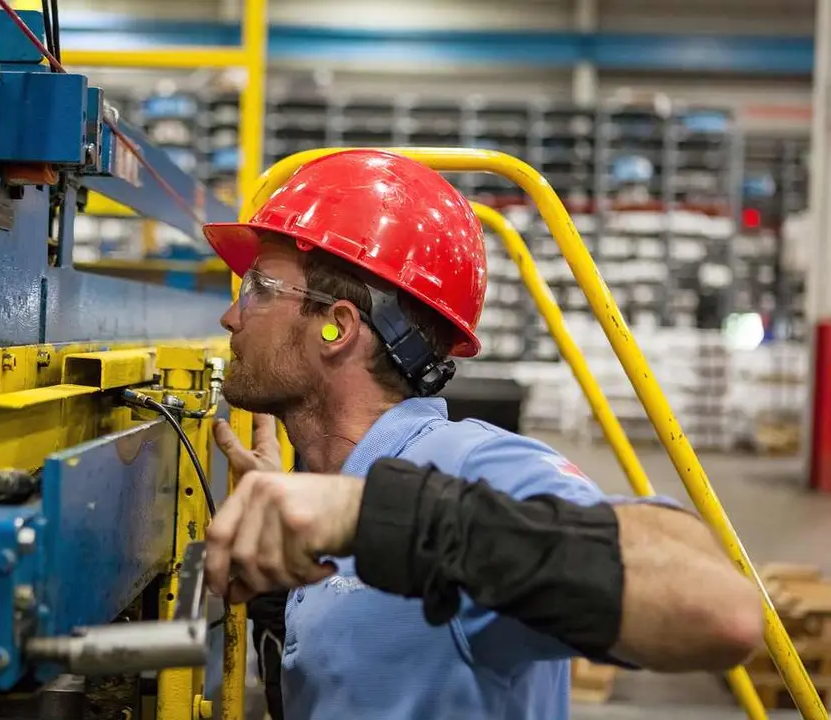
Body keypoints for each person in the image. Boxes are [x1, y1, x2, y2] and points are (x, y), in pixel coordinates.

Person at [200, 149, 764, 720]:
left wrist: (375, 513)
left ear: (337, 327)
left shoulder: (467, 464)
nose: (232, 317)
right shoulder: (316, 490)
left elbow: (722, 608)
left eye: (260, 288)